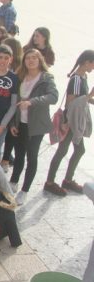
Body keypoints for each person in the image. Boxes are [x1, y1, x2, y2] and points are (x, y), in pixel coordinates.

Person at [8, 49, 58, 204]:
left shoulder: (46, 78)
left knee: (32, 156)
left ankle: (24, 190)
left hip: (36, 125)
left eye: (34, 58)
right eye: (28, 58)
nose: (30, 60)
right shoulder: (19, 77)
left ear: (39, 60)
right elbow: (13, 102)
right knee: (19, 154)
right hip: (20, 123)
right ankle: (13, 182)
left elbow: (53, 97)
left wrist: (32, 102)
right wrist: (13, 123)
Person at [44, 50, 94, 196]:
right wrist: (65, 122)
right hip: (70, 121)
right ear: (87, 62)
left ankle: (67, 180)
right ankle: (50, 182)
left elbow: (82, 99)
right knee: (63, 150)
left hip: (76, 119)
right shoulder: (76, 79)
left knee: (77, 150)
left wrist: (90, 98)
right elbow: (71, 103)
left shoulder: (83, 77)